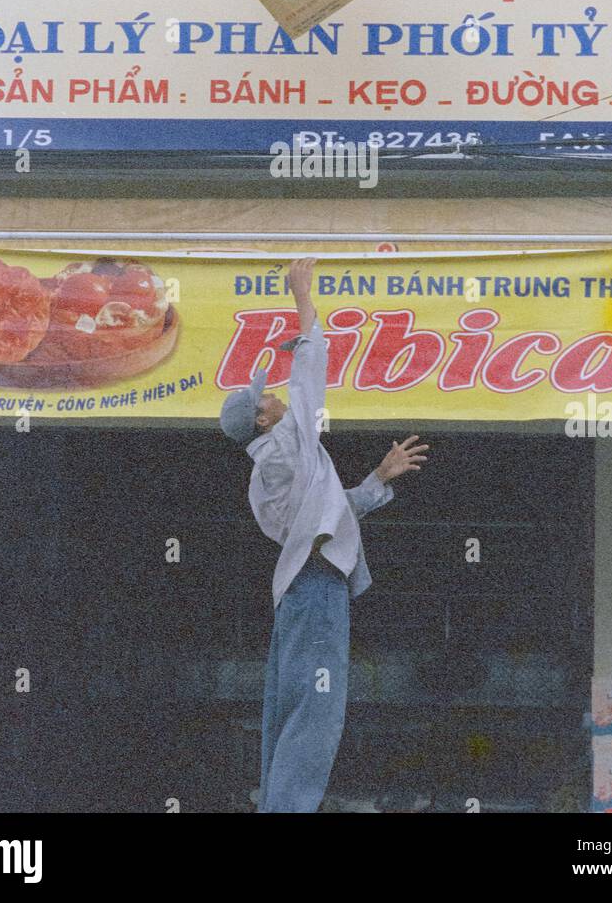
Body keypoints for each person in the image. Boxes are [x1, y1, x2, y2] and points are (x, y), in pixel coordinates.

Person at [219, 256, 429, 813]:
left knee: (289, 709)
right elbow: (311, 376)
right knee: (317, 712)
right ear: (262, 421)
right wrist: (302, 297)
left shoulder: (270, 473)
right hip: (315, 593)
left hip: (303, 593)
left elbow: (327, 517)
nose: (274, 396)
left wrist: (378, 479)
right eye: (266, 398)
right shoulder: (286, 448)